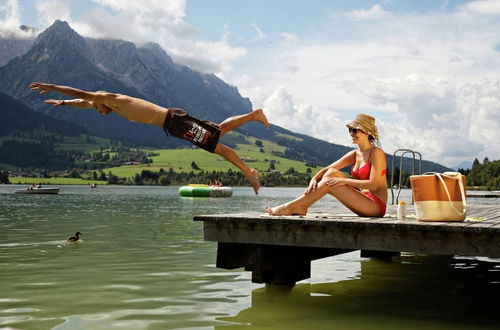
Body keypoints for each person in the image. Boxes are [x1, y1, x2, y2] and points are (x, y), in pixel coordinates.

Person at [29, 82, 270, 195]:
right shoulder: (106, 103)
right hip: (173, 123)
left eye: (96, 108)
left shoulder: (111, 98)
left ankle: (248, 171)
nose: (97, 111)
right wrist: (62, 103)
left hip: (175, 122)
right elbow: (83, 101)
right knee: (217, 130)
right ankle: (253, 115)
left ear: (100, 101)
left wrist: (53, 87)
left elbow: (83, 94)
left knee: (216, 146)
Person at [266, 114, 387, 217]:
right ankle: (301, 206)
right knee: (330, 173)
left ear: (366, 132)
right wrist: (314, 178)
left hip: (375, 206)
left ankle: (289, 207)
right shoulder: (355, 154)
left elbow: (374, 184)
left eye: (355, 130)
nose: (351, 133)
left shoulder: (376, 153)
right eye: (350, 130)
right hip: (363, 197)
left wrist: (344, 181)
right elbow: (328, 168)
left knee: (329, 181)